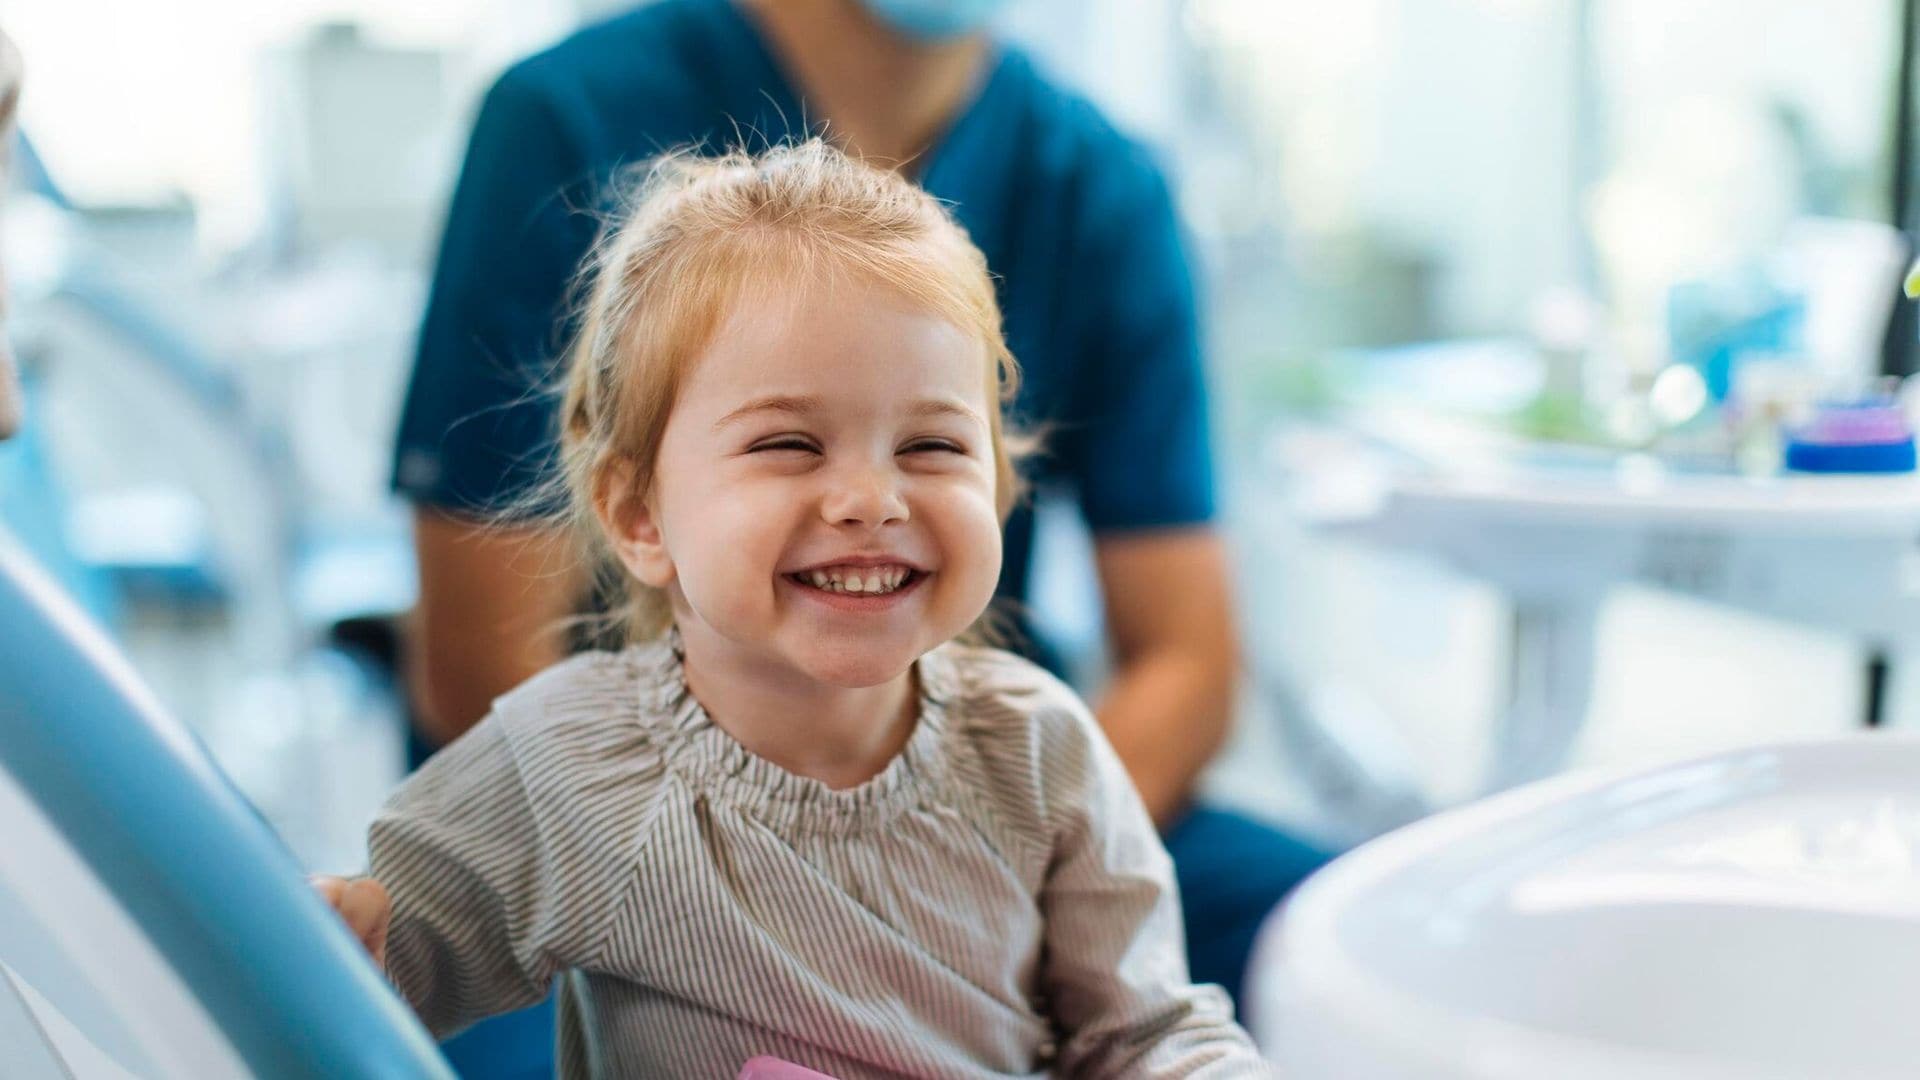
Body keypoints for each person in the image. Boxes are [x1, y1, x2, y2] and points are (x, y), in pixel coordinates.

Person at [392, 0, 1329, 1020]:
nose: (867, 500)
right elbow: (476, 657)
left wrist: (1001, 877)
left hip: (977, 809)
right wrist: (789, 920)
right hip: (619, 846)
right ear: (635, 513)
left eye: (933, 445)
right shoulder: (566, 117)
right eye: (787, 443)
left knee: (1342, 942)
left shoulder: (1097, 183)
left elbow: (1185, 662)